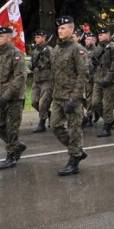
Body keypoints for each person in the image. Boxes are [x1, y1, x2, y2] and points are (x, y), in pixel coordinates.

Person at [49, 16, 89, 175]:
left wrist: (75, 98)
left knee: (74, 129)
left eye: (64, 28)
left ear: (71, 30)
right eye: (59, 28)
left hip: (73, 97)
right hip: (58, 96)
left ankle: (74, 161)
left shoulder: (77, 49)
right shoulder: (57, 49)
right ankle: (77, 150)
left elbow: (83, 74)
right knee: (55, 126)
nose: (60, 30)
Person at [0, 26, 27, 170]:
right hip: (0, 97)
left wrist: (7, 95)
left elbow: (20, 77)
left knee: (12, 128)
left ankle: (11, 157)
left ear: (9, 38)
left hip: (14, 98)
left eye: (1, 37)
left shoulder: (16, 55)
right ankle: (16, 145)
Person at [91, 27, 114, 137]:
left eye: (102, 35)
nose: (100, 36)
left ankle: (107, 128)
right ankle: (111, 120)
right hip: (98, 79)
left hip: (110, 81)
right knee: (95, 103)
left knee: (108, 104)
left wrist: (108, 79)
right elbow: (93, 61)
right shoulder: (98, 48)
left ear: (108, 36)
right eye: (99, 35)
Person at [30, 30, 53, 133]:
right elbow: (31, 62)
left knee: (42, 103)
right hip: (37, 80)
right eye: (35, 38)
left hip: (47, 80)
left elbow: (54, 65)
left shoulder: (49, 50)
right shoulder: (35, 50)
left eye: (38, 37)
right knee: (34, 102)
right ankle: (48, 113)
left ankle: (41, 124)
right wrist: (31, 65)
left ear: (44, 38)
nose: (36, 39)